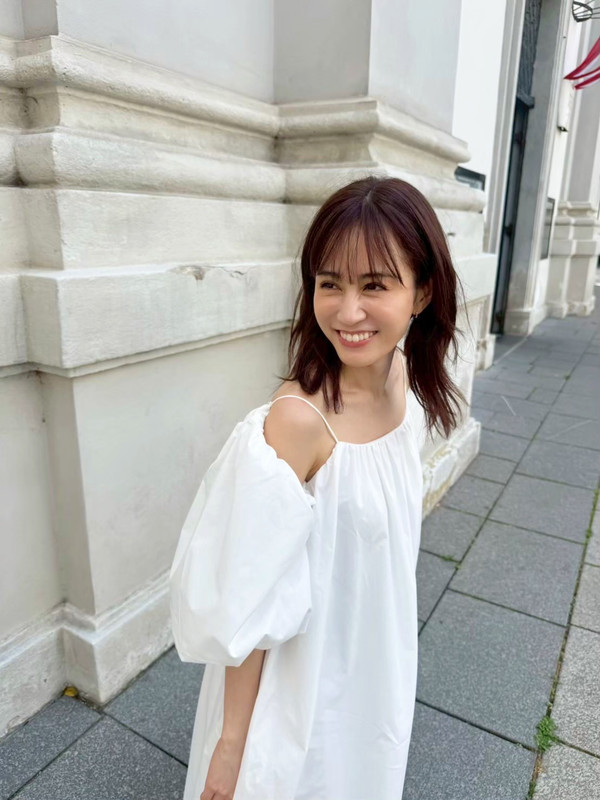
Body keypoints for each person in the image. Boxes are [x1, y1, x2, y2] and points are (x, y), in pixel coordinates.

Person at [169, 175, 468, 800]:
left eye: (375, 285)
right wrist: (231, 745)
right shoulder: (298, 422)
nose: (348, 311)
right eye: (330, 283)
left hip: (373, 658)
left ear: (422, 292)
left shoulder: (403, 378)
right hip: (299, 687)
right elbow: (248, 598)